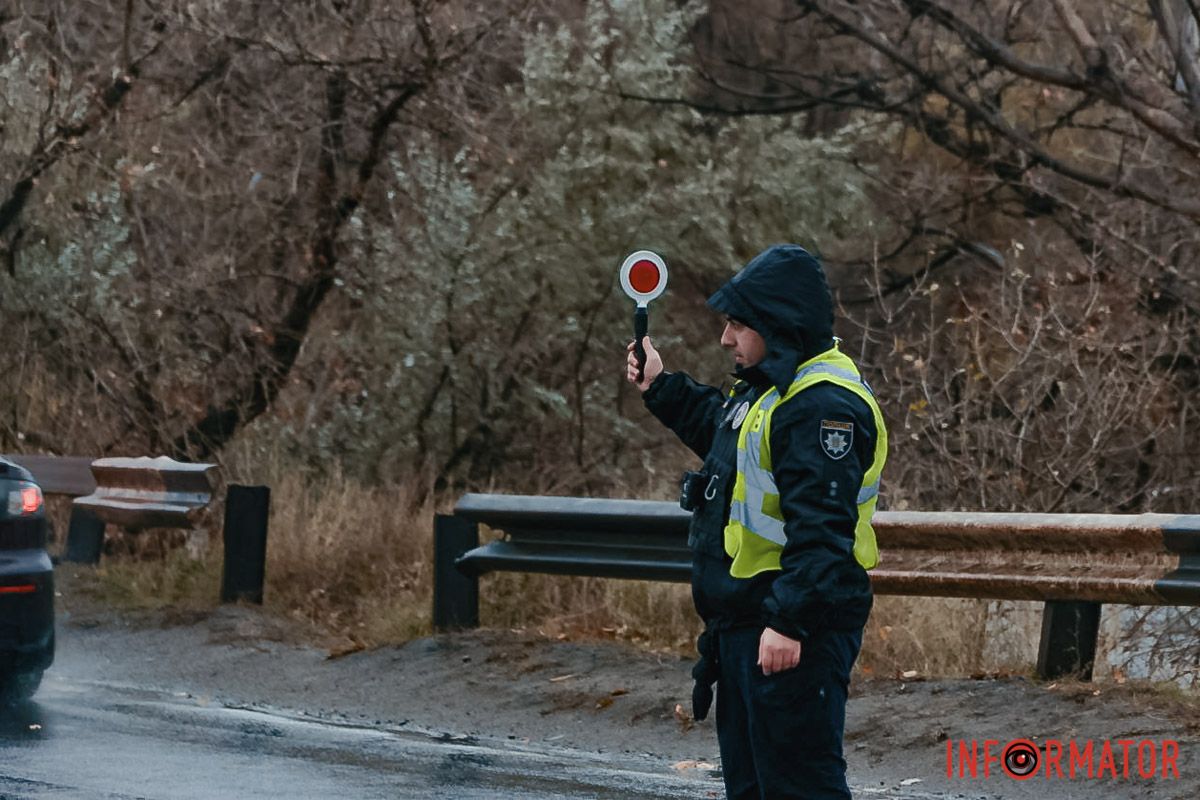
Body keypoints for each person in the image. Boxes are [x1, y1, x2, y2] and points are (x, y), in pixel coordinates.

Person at [624, 244, 887, 800]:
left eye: (738, 324)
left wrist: (790, 622)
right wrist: (661, 385)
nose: (726, 338)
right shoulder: (772, 389)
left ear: (778, 324)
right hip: (751, 625)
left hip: (792, 630)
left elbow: (823, 531)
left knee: (798, 787)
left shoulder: (821, 405)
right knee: (753, 788)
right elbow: (726, 435)